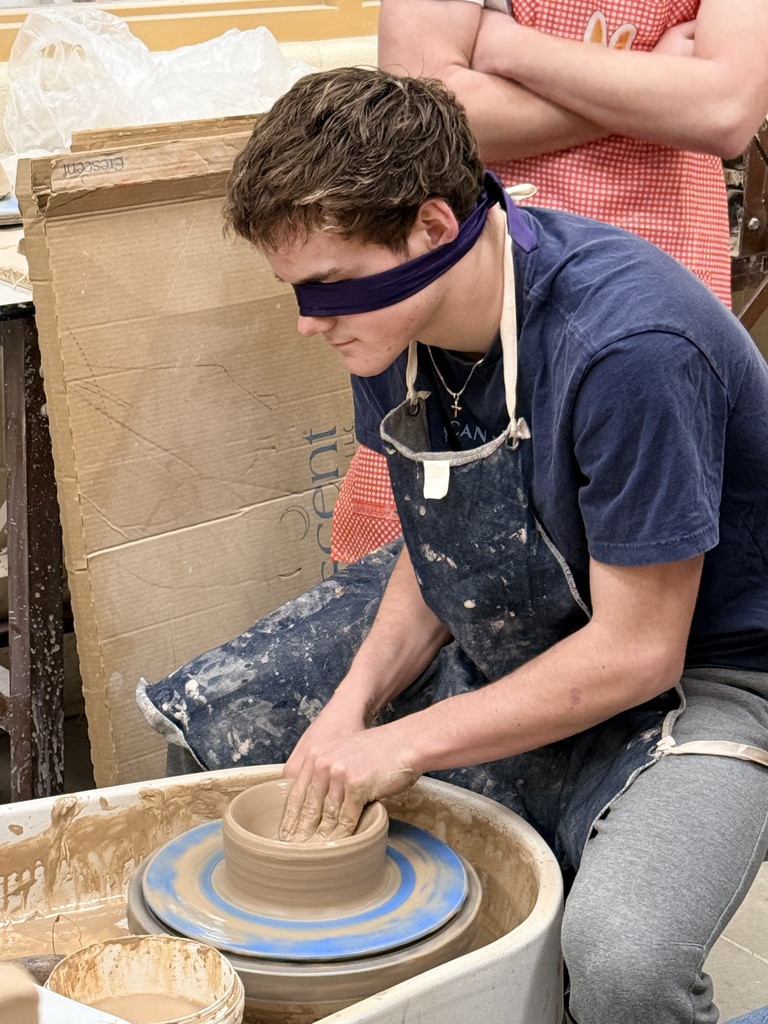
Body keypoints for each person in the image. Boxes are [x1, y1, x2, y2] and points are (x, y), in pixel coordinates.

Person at [138, 68, 768, 1024]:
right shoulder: (392, 322)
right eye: (292, 288)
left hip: (707, 669)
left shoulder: (629, 345)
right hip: (523, 607)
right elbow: (442, 547)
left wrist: (402, 742)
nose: (308, 321)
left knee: (622, 962)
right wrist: (353, 708)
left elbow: (641, 651)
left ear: (433, 227)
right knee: (216, 723)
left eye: (329, 286)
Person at [330, 0, 768, 564]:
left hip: (660, 268)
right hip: (491, 284)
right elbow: (425, 118)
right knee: (451, 539)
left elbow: (724, 112)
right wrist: (650, 83)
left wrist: (511, 48)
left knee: (648, 535)